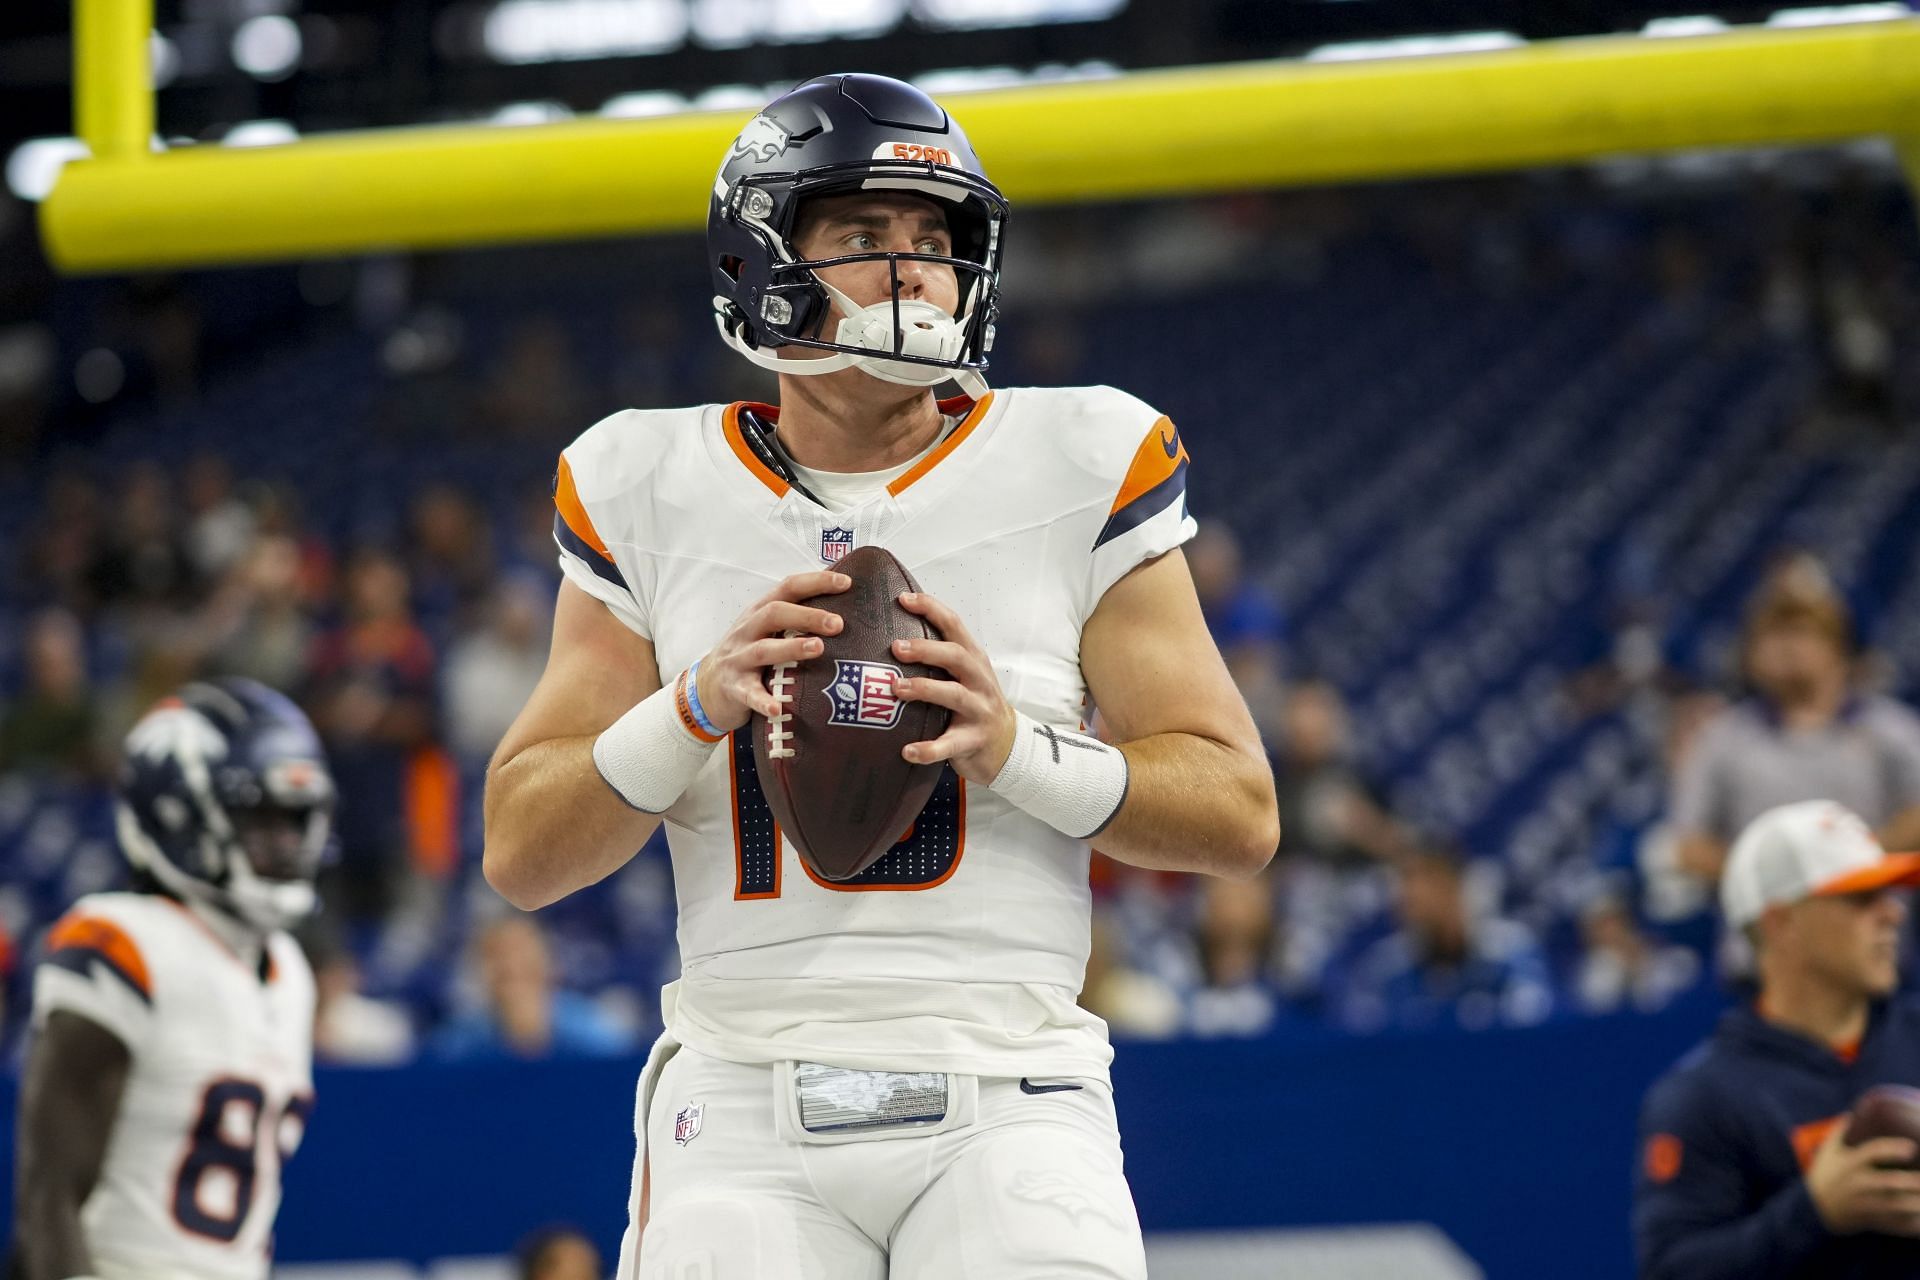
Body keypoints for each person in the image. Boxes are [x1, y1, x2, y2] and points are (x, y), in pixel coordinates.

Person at [483, 73, 1278, 1280]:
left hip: (1010, 1078)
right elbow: (522, 852)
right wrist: (691, 703)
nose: (914, 270)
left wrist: (1020, 747)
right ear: (761, 256)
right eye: (865, 235)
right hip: (742, 1093)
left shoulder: (1079, 456)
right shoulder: (641, 480)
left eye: (936, 239)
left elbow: (1239, 812)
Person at [10, 678, 332, 1280]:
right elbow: (48, 1198)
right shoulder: (122, 939)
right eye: (262, 819)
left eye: (297, 821)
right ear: (176, 811)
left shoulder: (288, 968)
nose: (288, 845)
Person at [1634, 801, 1920, 1279]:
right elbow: (1672, 1270)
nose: (1891, 913)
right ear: (1780, 923)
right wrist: (1815, 1211)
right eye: (1860, 897)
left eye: (1889, 892)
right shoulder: (1704, 1098)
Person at [1671, 565, 1920, 885]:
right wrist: (1781, 877)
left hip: (1866, 917)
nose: (1785, 647)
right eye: (1770, 635)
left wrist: (1852, 864)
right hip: (1765, 924)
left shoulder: (1890, 729)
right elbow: (1688, 846)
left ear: (1839, 646)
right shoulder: (1723, 737)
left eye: (1801, 632)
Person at [1338, 844, 1554, 1033]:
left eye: (1421, 883)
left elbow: (1531, 1028)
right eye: (1405, 885)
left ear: (1451, 887)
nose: (1407, 897)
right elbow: (1363, 1038)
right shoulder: (1387, 967)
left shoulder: (1510, 951)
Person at [430, 915, 635, 1062]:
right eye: (497, 955)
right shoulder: (460, 1043)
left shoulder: (595, 1033)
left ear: (550, 964)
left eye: (522, 953)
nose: (512, 965)